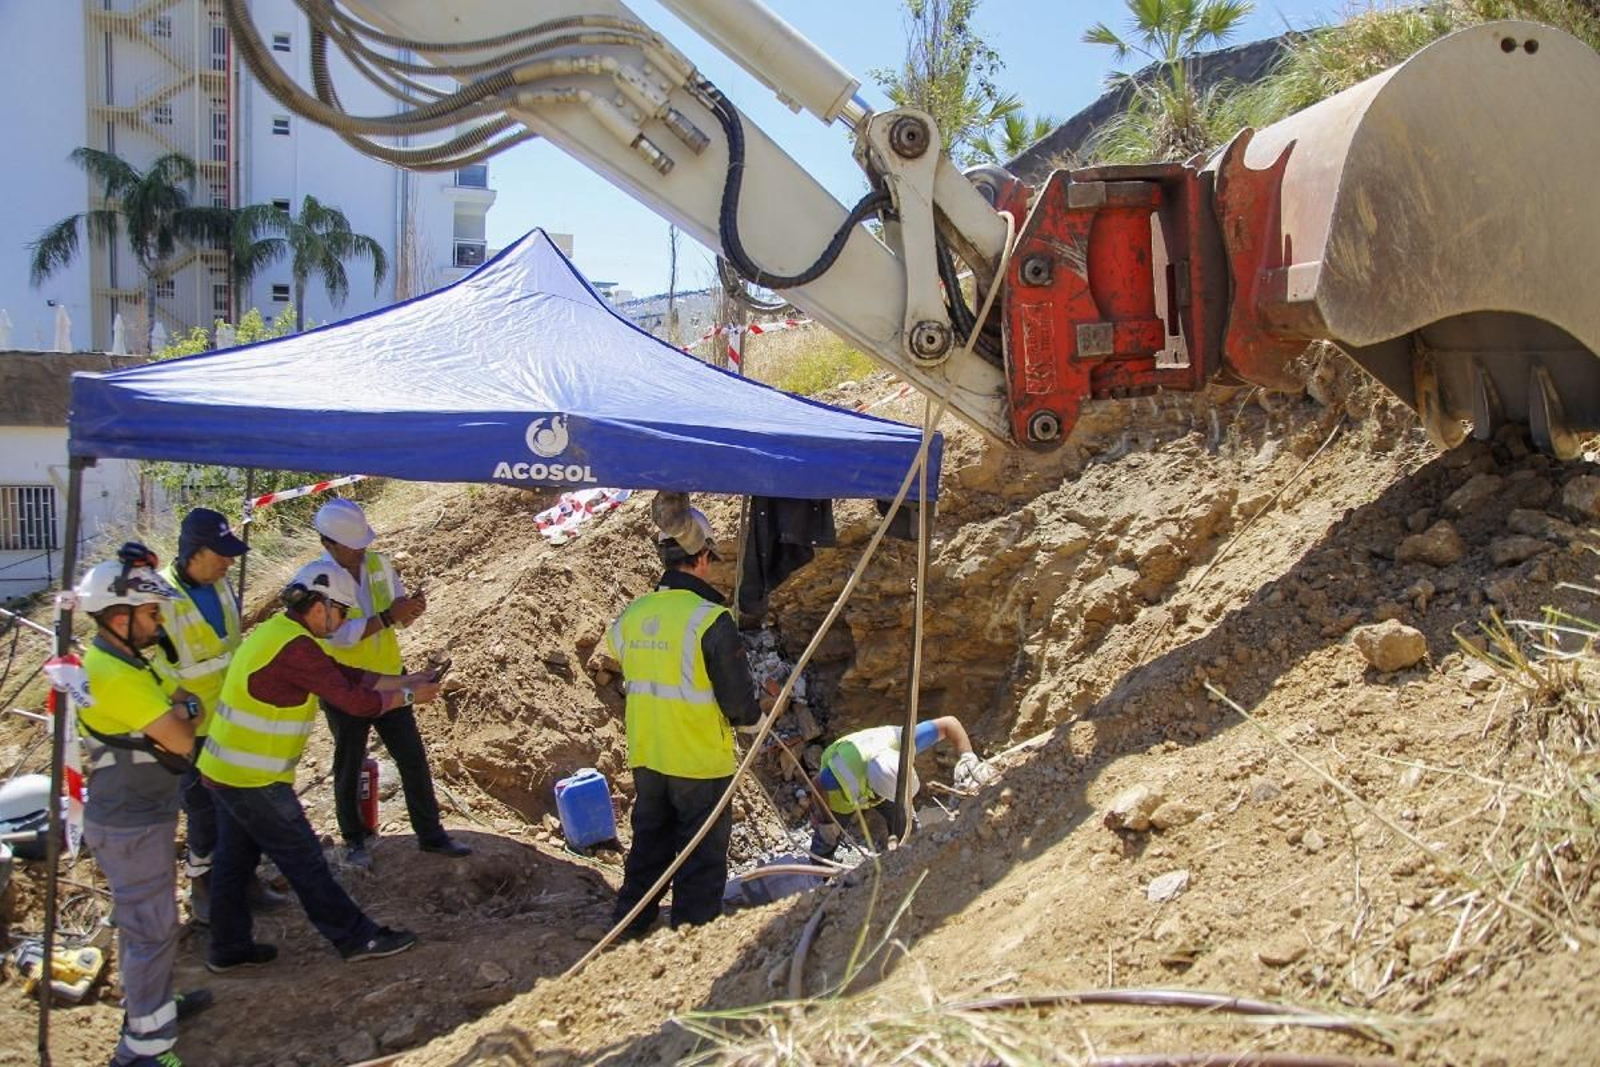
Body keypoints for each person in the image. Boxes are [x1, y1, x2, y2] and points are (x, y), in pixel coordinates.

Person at [196, 560, 441, 971]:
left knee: (233, 861)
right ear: (319, 605)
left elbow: (347, 674)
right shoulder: (295, 647)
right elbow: (354, 701)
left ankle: (228, 947)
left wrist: (405, 680)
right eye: (342, 611)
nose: (343, 620)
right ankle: (355, 937)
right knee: (305, 859)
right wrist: (413, 697)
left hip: (227, 769)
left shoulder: (283, 634)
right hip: (252, 777)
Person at [76, 545, 214, 1066]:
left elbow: (184, 702)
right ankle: (143, 1049)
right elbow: (181, 734)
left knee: (146, 924)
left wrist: (184, 711)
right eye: (151, 613)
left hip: (139, 813)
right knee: (151, 929)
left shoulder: (130, 660)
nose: (159, 623)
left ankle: (151, 1008)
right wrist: (184, 713)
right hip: (130, 821)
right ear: (118, 617)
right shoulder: (115, 674)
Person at [605, 506, 761, 938]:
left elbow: (624, 659)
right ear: (702, 558)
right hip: (699, 762)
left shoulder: (632, 615)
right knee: (702, 858)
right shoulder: (710, 618)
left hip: (649, 755)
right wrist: (755, 719)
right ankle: (691, 942)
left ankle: (630, 924)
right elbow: (739, 706)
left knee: (650, 845)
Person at [311, 498, 467, 868]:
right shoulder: (317, 580)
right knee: (349, 761)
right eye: (352, 544)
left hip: (390, 677)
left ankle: (431, 836)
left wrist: (410, 611)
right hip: (344, 684)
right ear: (329, 544)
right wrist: (386, 617)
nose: (361, 550)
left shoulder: (378, 564)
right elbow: (336, 636)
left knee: (411, 756)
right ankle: (355, 839)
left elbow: (399, 616)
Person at [156, 507, 285, 923]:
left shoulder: (222, 584)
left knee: (245, 806)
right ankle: (204, 890)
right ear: (195, 552)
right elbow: (150, 667)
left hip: (232, 719)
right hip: (189, 729)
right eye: (222, 554)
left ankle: (245, 880)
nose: (230, 562)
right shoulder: (160, 597)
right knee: (204, 813)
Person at [809, 716, 996, 857]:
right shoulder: (841, 773)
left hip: (879, 779)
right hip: (843, 794)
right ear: (874, 790)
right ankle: (818, 877)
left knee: (907, 828)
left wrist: (968, 758)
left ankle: (901, 860)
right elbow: (817, 784)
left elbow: (950, 723)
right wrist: (824, 818)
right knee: (828, 836)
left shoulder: (904, 741)